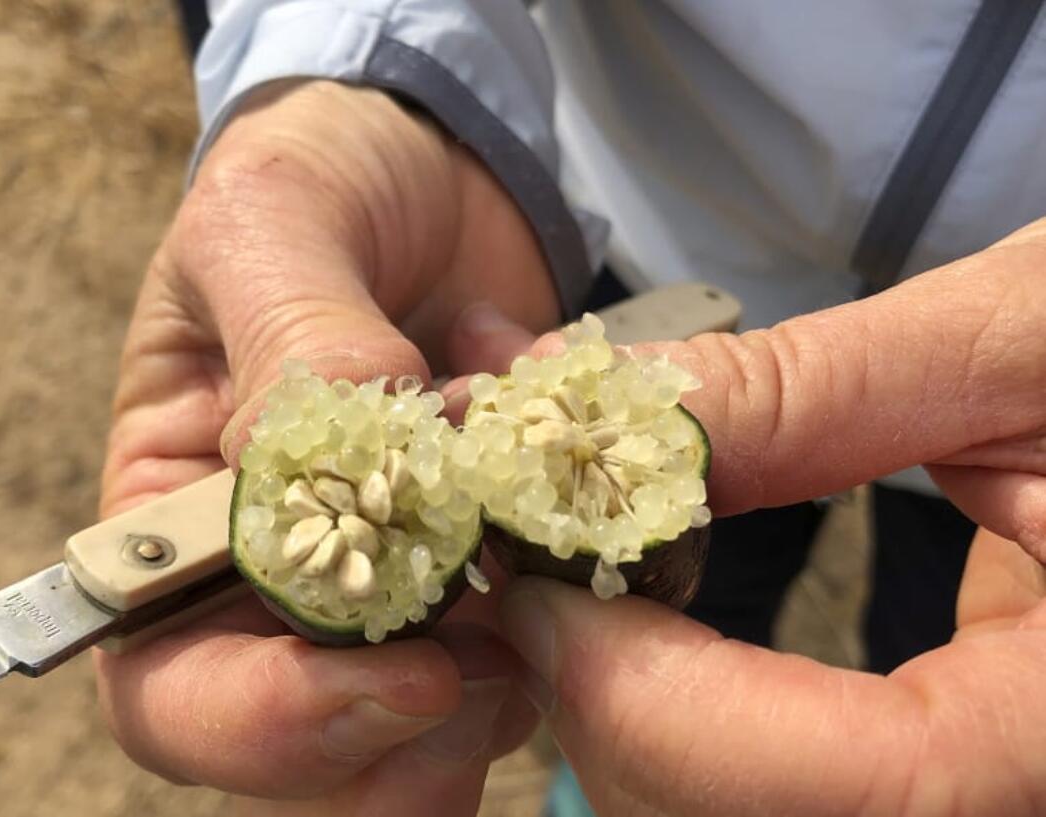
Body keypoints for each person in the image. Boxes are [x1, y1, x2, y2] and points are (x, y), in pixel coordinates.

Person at [94, 2, 1046, 814]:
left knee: (936, 658)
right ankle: (607, 779)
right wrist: (375, 69)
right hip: (639, 242)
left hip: (1004, 465)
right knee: (707, 619)